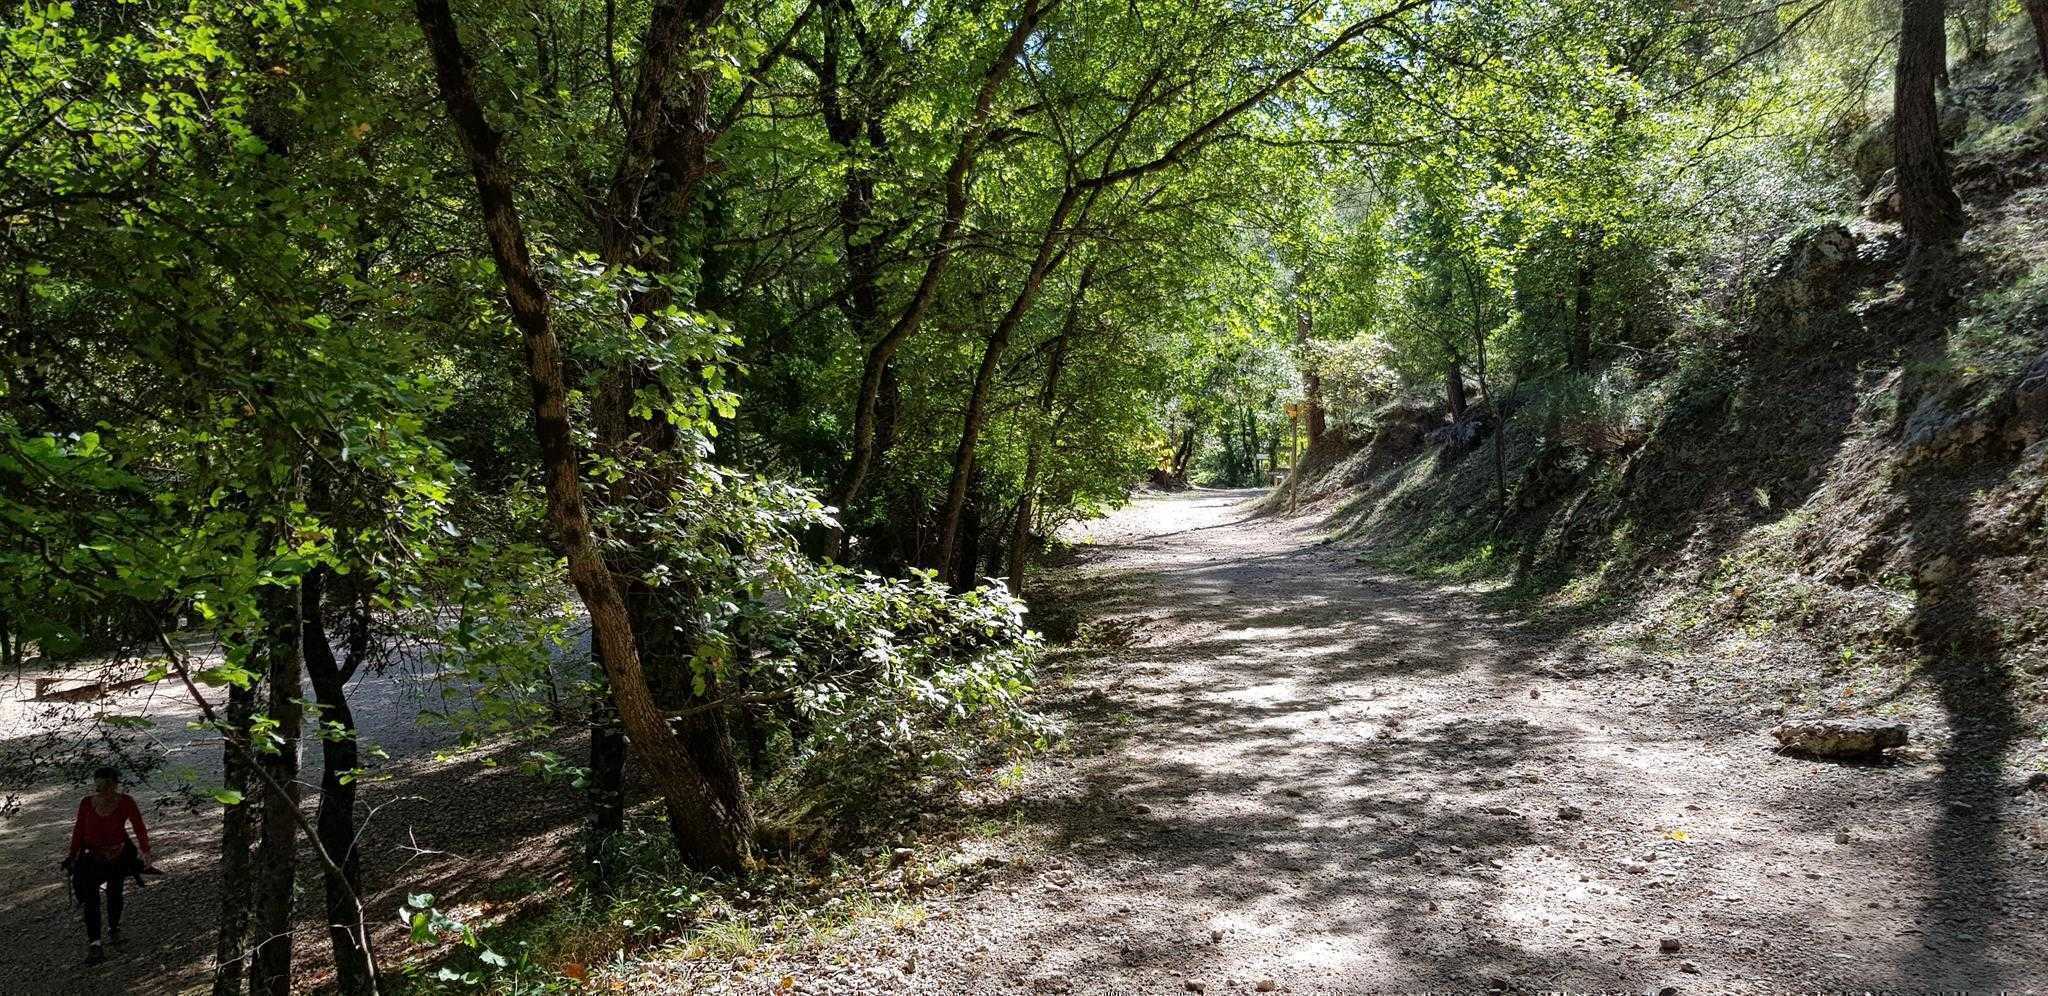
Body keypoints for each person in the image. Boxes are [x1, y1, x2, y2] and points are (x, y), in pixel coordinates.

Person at [65, 766, 152, 965]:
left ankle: (114, 929)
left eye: (106, 786)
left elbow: (138, 826)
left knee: (115, 894)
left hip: (117, 856)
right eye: (98, 786)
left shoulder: (126, 802)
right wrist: (72, 856)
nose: (102, 790)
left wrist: (145, 851)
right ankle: (95, 944)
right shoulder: (87, 803)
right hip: (90, 857)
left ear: (114, 785)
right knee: (91, 900)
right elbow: (79, 829)